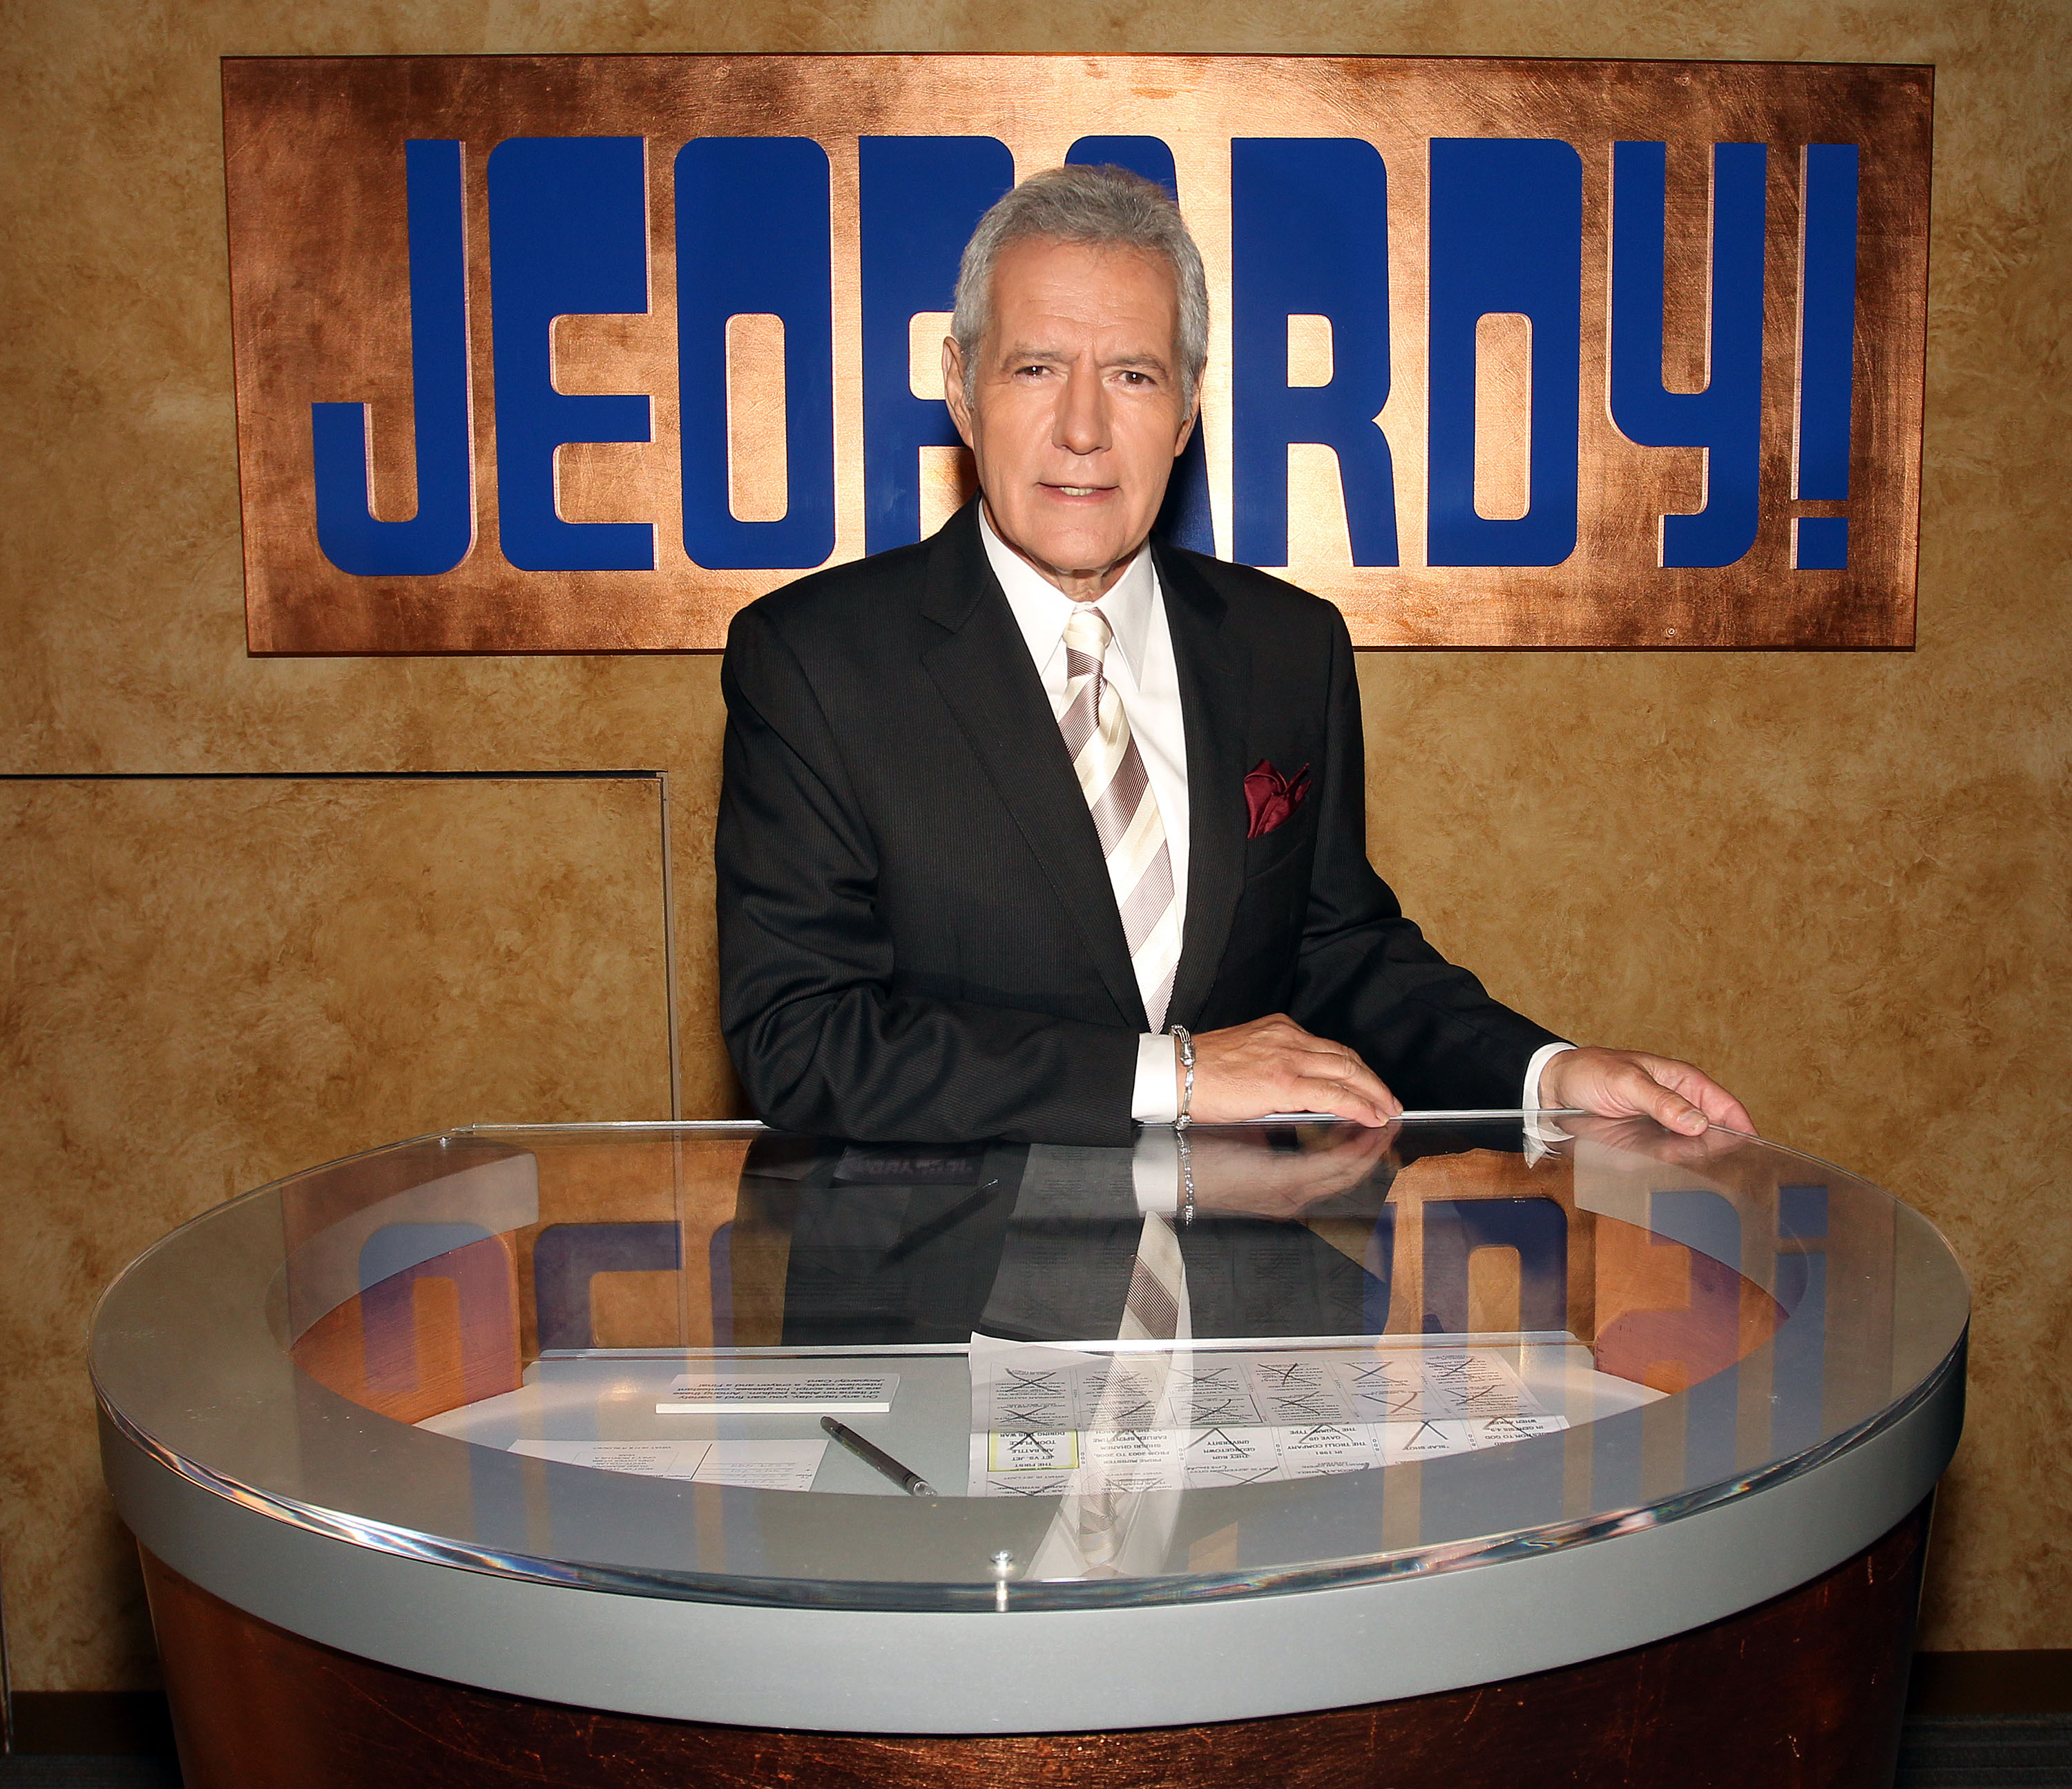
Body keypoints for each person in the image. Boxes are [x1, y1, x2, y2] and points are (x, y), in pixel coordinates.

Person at [718, 165, 1751, 1147]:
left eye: (1132, 374)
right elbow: (800, 1043)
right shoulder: (813, 663)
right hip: (941, 1310)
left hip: (1241, 1296)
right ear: (960, 385)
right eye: (1036, 368)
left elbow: (1337, 951)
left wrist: (1547, 1073)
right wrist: (1172, 1076)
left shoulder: (1288, 648)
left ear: (1188, 407)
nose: (1083, 428)